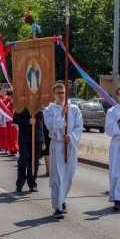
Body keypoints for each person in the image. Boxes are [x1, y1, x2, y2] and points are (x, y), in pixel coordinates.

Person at [43, 82, 83, 219]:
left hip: (70, 145)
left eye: (63, 92)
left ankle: (62, 199)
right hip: (57, 145)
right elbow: (51, 127)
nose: (61, 95)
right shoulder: (49, 110)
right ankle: (57, 206)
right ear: (54, 94)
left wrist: (71, 136)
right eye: (58, 93)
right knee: (57, 177)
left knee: (68, 176)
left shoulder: (75, 109)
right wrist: (61, 114)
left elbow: (79, 126)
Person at [13, 108, 44, 193]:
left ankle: (32, 184)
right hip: (24, 136)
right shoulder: (20, 105)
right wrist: (27, 121)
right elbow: (16, 119)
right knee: (23, 160)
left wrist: (36, 110)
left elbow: (43, 115)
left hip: (36, 136)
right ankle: (20, 183)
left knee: (34, 161)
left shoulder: (39, 104)